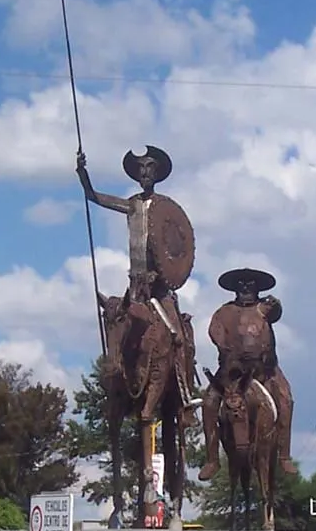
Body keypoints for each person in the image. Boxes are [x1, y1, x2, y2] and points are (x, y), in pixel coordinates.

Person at [76, 146, 191, 350]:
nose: (145, 172)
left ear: (157, 173)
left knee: (178, 337)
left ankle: (183, 377)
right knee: (118, 328)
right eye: (141, 168)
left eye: (149, 167)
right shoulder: (132, 205)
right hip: (136, 286)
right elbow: (93, 196)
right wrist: (82, 172)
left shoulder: (164, 208)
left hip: (159, 287)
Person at [198, 267, 298, 480]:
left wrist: (276, 304)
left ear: (257, 288)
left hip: (265, 371)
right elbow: (214, 333)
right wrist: (227, 351)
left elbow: (276, 313)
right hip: (232, 374)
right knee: (208, 402)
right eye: (241, 285)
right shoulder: (223, 312)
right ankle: (212, 459)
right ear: (235, 288)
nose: (245, 289)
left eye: (250, 285)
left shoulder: (264, 308)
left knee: (285, 399)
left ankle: (284, 455)